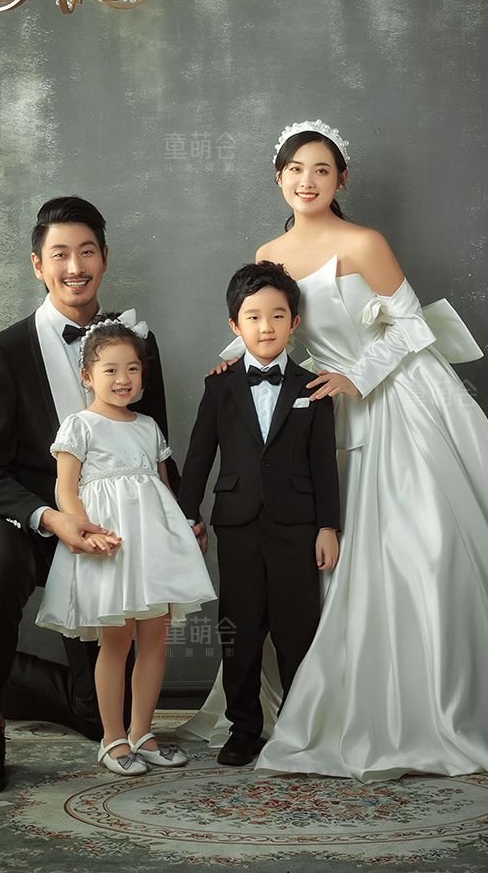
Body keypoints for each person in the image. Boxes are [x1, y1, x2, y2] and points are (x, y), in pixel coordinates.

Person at [185, 120, 488, 781]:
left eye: (321, 169)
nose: (307, 181)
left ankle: (426, 705)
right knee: (302, 556)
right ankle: (304, 701)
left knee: (422, 548)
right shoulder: (270, 250)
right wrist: (231, 361)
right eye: (295, 169)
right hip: (313, 409)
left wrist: (357, 377)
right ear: (279, 177)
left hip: (385, 399)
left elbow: (412, 326)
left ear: (341, 179)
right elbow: (270, 322)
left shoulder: (365, 242)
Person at [0, 196, 178, 794]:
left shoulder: (137, 341)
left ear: (104, 258)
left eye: (87, 252)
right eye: (60, 254)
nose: (75, 267)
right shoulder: (3, 352)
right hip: (26, 513)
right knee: (1, 575)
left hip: (112, 522)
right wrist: (51, 518)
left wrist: (181, 519)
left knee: (99, 716)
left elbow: (154, 446)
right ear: (37, 265)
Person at [36, 317, 215, 775]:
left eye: (132, 369)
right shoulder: (80, 426)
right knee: (116, 643)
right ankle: (112, 738)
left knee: (155, 639)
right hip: (110, 545)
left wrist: (184, 531)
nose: (123, 379)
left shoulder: (148, 426)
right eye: (111, 369)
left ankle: (143, 732)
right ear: (87, 375)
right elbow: (66, 489)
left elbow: (162, 489)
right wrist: (84, 530)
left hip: (152, 548)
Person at [178, 262, 340, 767]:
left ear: (295, 323)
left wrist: (328, 526)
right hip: (237, 523)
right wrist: (188, 515)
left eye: (277, 316)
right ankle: (243, 727)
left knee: (297, 628)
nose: (265, 327)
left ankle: (297, 726)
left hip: (297, 525)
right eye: (253, 317)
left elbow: (323, 463)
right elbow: (199, 455)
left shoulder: (314, 387)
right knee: (239, 629)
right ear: (235, 324)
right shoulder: (219, 386)